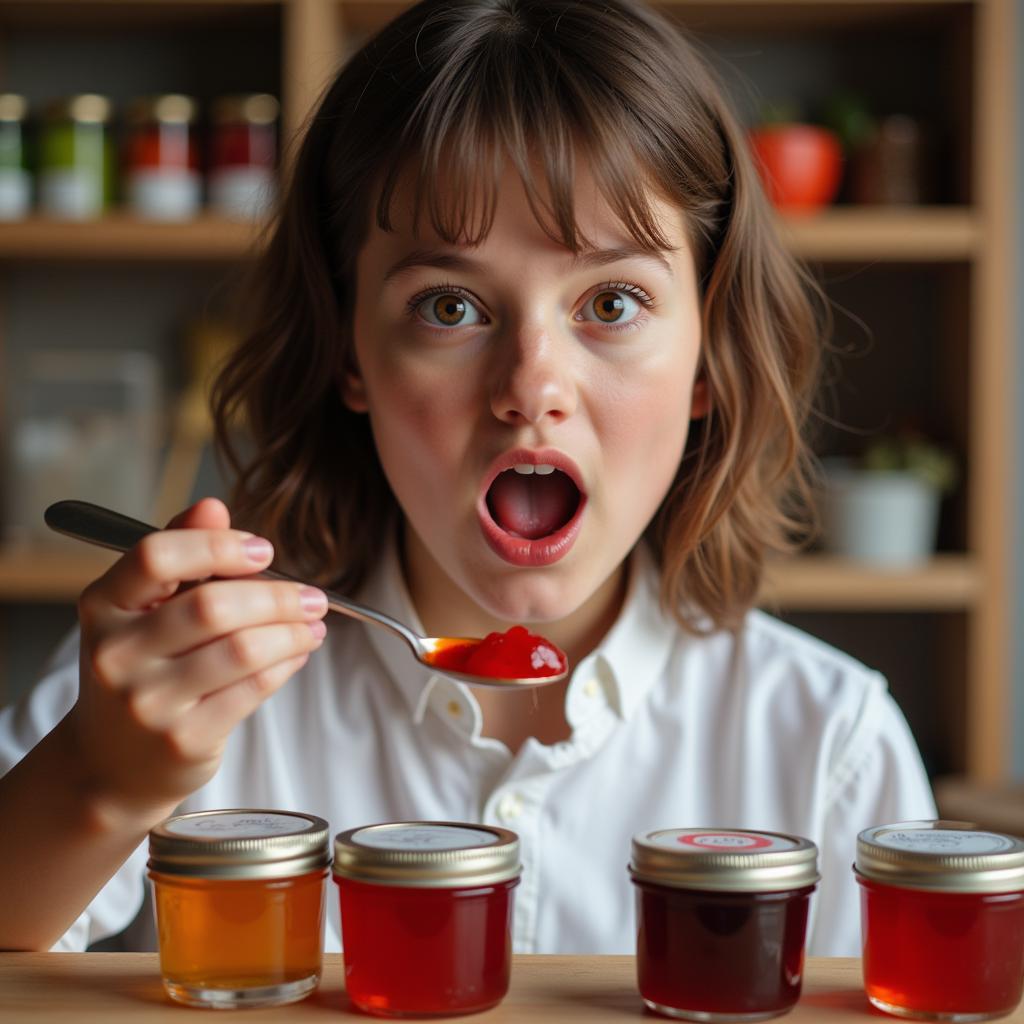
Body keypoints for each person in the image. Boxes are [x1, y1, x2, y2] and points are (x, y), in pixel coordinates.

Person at [0, 0, 935, 956]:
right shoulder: (181, 689)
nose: (531, 386)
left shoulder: (830, 744)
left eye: (612, 301)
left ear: (707, 360)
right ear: (350, 354)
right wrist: (97, 783)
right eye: (448, 305)